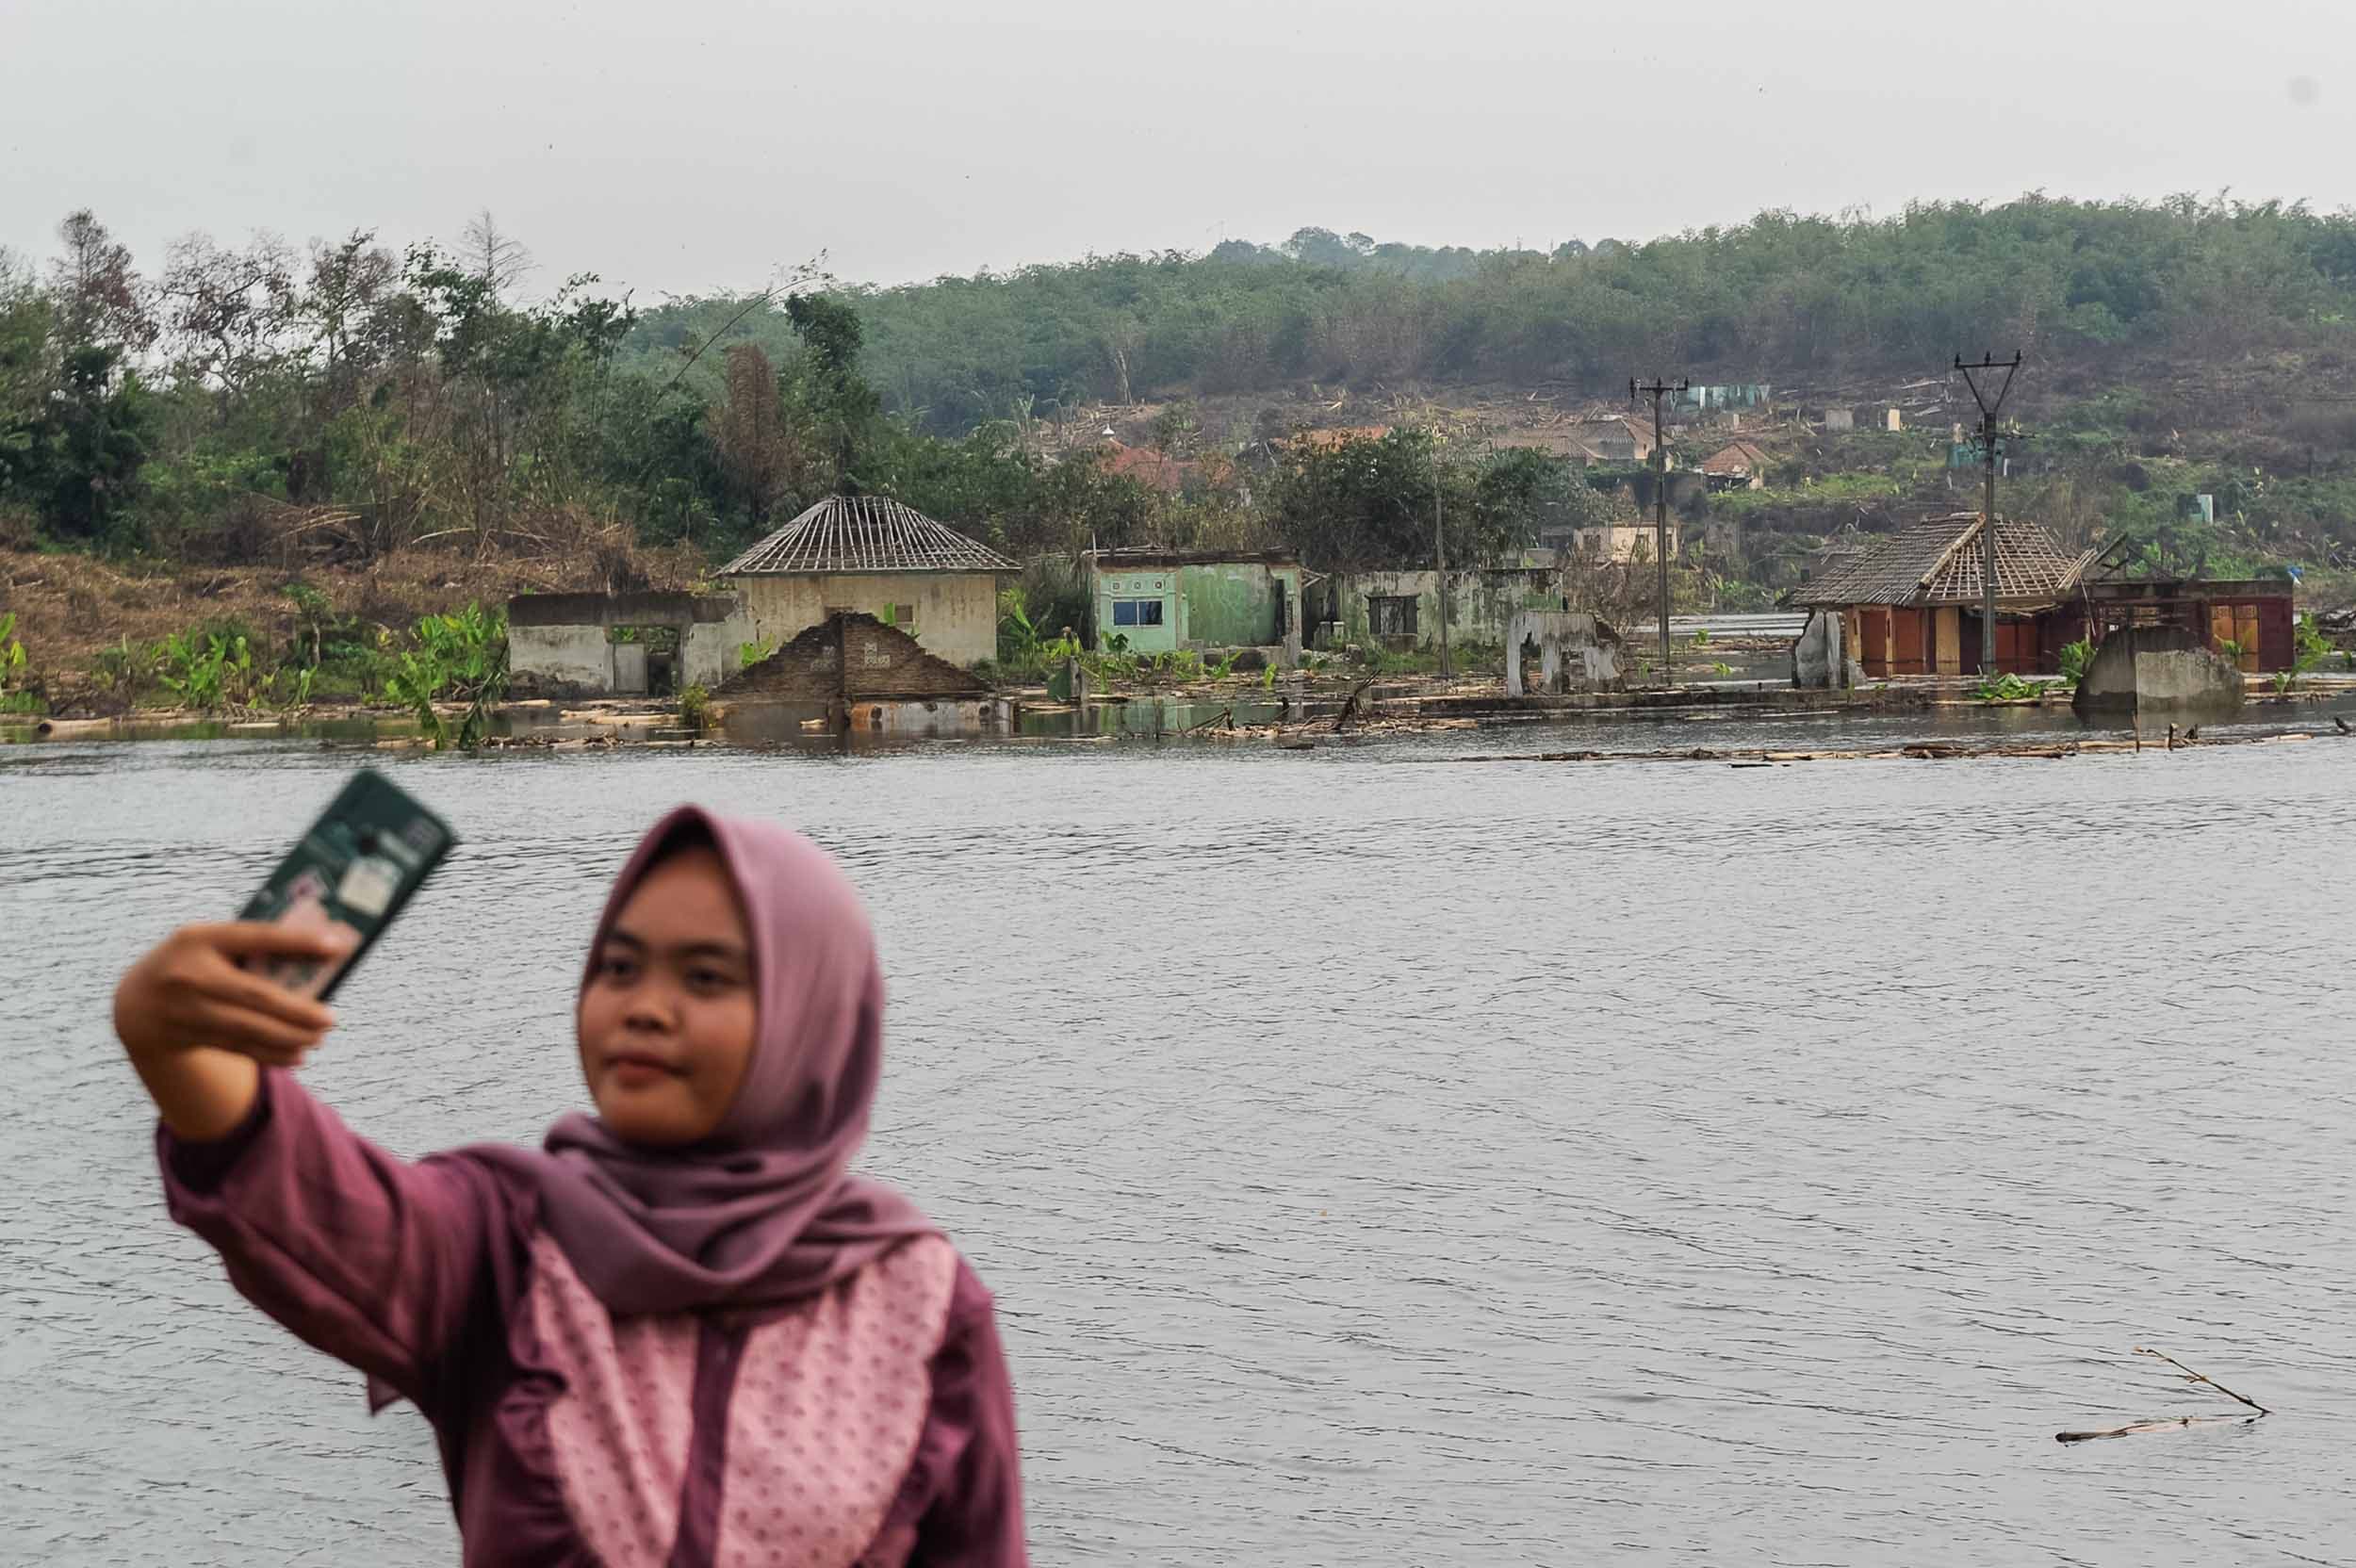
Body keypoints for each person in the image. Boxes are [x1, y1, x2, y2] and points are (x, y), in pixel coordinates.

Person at [114, 805, 1026, 1567]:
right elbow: (309, 1193)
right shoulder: (504, 1242)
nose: (643, 1004)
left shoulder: (919, 1301)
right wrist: (176, 1047)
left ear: (810, 1013)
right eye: (618, 966)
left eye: (704, 976)